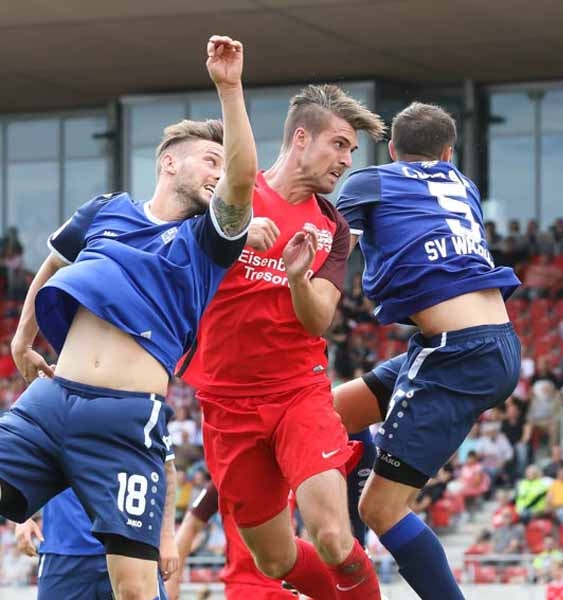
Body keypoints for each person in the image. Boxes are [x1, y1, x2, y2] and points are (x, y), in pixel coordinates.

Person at [0, 35, 255, 600]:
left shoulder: (209, 241)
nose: (219, 173)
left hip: (124, 420)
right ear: (169, 162)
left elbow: (241, 180)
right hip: (50, 402)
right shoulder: (106, 210)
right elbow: (54, 263)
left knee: (135, 590)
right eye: (208, 160)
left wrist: (230, 89)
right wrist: (22, 337)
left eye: (223, 163)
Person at [180, 83, 386, 599]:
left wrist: (297, 277)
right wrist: (230, 86)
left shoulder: (332, 228)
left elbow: (318, 321)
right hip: (226, 403)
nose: (347, 160)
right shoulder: (235, 197)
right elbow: (237, 165)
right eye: (338, 144)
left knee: (333, 536)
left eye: (352, 150)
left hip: (299, 391)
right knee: (273, 559)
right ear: (300, 138)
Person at [334, 102, 521, 600]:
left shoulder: (369, 182)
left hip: (455, 353)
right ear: (448, 153)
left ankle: (354, 561)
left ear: (392, 150)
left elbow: (336, 253)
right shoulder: (464, 184)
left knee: (382, 509)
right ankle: (349, 556)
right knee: (332, 414)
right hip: (489, 340)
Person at [15, 489, 161, 599]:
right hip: (62, 551)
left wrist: (166, 536)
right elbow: (28, 461)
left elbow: (163, 468)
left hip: (126, 545)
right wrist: (21, 512)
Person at [165, 482, 296, 600]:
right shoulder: (225, 477)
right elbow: (190, 524)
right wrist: (173, 580)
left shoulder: (288, 475)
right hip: (247, 588)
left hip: (286, 587)